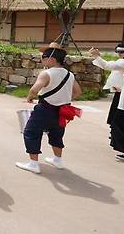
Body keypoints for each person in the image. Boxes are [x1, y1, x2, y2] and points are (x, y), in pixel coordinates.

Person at [16, 43, 82, 174]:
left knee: (31, 132)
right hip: (63, 110)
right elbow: (78, 92)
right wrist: (64, 98)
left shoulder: (46, 73)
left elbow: (34, 89)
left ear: (51, 59)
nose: (42, 60)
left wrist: (30, 97)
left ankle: (33, 163)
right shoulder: (69, 74)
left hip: (45, 109)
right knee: (57, 134)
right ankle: (58, 159)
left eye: (44, 57)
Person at [89, 42, 124, 127]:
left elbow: (107, 65)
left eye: (121, 51)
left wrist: (97, 56)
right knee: (116, 114)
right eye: (117, 51)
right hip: (120, 90)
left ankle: (116, 133)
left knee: (118, 115)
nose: (119, 54)